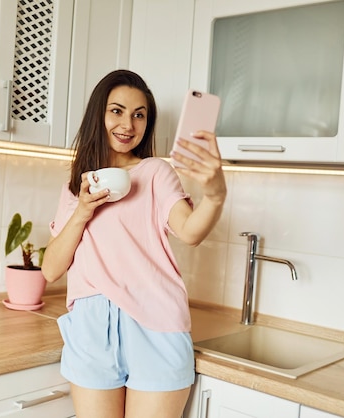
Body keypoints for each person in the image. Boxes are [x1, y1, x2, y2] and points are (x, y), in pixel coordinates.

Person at [41, 69, 227, 418]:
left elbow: (190, 231)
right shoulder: (76, 187)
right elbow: (51, 270)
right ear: (99, 114)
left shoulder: (156, 172)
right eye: (117, 110)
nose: (128, 124)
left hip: (156, 326)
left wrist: (215, 196)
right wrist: (82, 210)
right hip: (91, 328)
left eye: (139, 115)